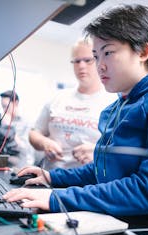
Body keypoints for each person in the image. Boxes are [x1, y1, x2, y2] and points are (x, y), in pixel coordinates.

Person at [3, 4, 148, 235]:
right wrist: (52, 177)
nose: (99, 65)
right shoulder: (120, 105)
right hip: (115, 224)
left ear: (142, 51)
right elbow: (104, 170)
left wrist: (55, 197)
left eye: (108, 52)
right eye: (96, 55)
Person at [29, 38, 115, 170]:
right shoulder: (58, 98)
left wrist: (98, 152)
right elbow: (34, 133)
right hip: (48, 179)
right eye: (76, 61)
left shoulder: (113, 103)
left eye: (88, 60)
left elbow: (121, 152)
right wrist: (44, 143)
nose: (81, 66)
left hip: (85, 185)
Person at [0, 90, 35, 169]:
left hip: (22, 166)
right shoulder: (3, 121)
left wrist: (9, 127)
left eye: (6, 106)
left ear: (16, 103)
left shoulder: (27, 122)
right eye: (2, 107)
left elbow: (25, 148)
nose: (4, 110)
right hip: (6, 164)